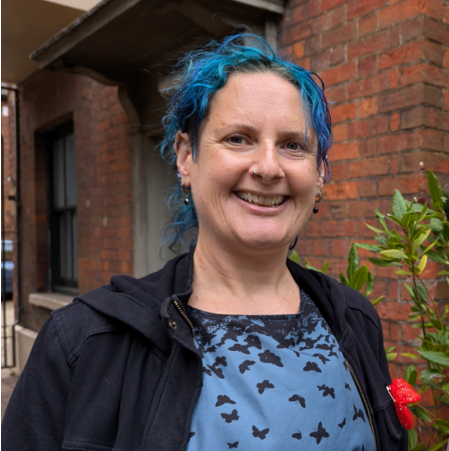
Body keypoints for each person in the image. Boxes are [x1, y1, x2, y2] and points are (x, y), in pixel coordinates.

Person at [2, 34, 406, 451]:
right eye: (238, 139)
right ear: (185, 157)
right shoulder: (85, 343)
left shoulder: (355, 321)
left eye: (292, 145)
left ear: (319, 175)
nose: (268, 167)